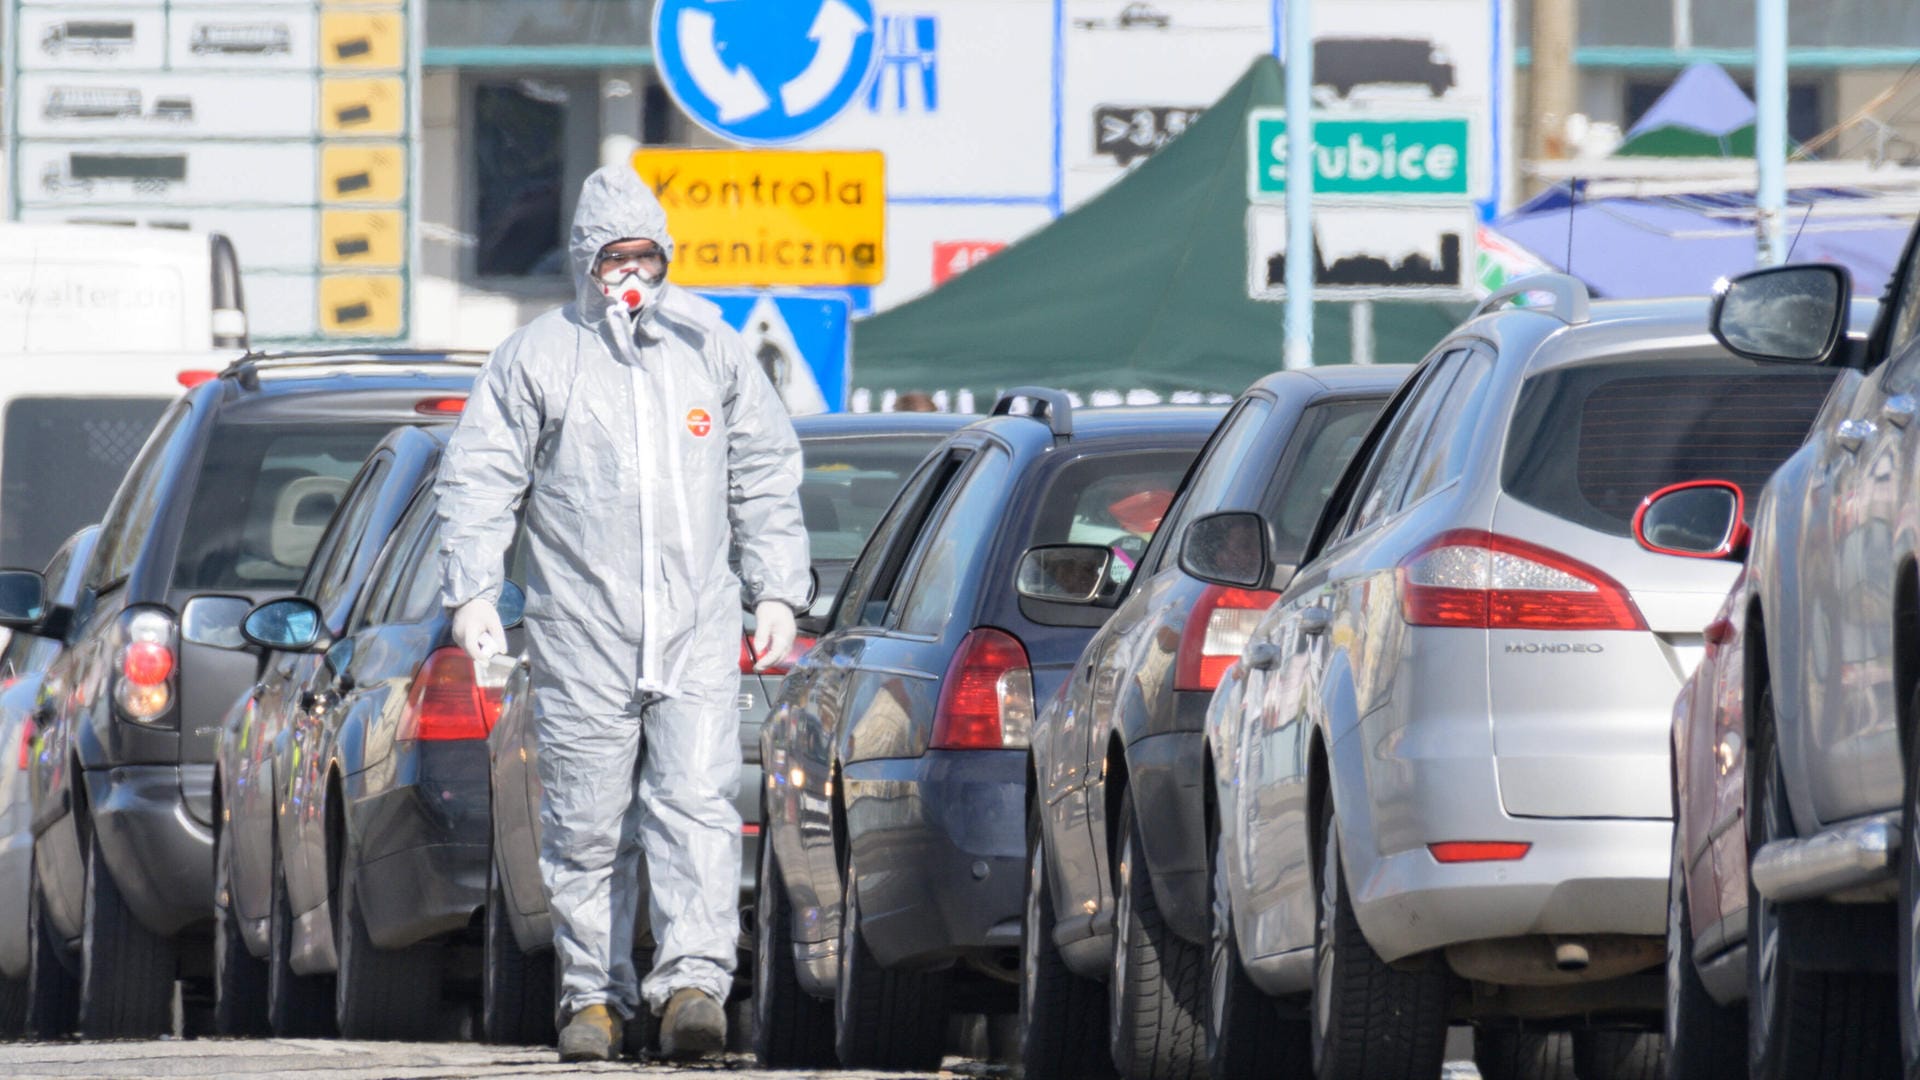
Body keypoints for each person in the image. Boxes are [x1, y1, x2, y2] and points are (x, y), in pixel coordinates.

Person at [435, 163, 810, 1063]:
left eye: (644, 257)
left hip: (695, 626)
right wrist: (473, 592)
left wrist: (779, 594)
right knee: (587, 821)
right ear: (585, 263)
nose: (630, 276)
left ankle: (692, 987)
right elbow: (481, 480)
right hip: (583, 634)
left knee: (696, 805)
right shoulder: (538, 359)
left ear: (666, 258)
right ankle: (591, 999)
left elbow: (763, 475)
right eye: (614, 259)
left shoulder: (709, 351)